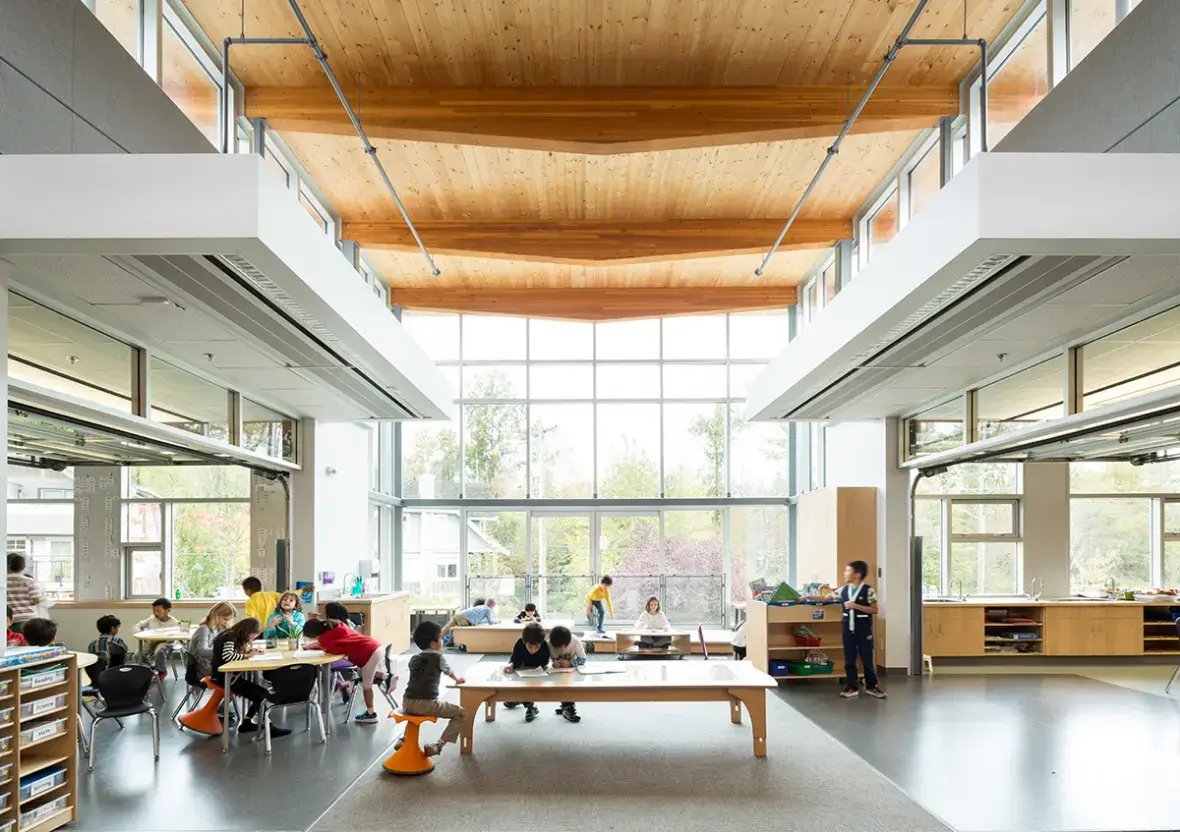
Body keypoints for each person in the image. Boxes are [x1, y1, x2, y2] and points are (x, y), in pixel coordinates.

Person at [802, 560, 886, 699]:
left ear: (857, 575)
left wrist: (855, 606)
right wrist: (808, 597)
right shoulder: (843, 590)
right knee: (849, 659)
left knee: (867, 659)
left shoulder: (868, 591)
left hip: (864, 630)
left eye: (848, 571)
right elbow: (826, 597)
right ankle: (851, 686)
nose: (845, 573)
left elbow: (874, 609)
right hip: (848, 629)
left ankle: (872, 686)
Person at [302, 619, 394, 725]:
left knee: (367, 685)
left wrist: (319, 645)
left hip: (369, 653)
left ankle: (371, 714)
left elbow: (336, 651)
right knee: (360, 674)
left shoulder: (324, 638)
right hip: (375, 646)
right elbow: (340, 641)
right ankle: (385, 676)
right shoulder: (337, 625)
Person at [398, 620, 467, 758]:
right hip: (426, 703)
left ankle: (403, 739)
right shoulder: (438, 657)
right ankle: (438, 745)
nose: (442, 640)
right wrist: (458, 680)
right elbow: (449, 671)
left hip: (407, 701)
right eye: (441, 638)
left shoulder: (414, 658)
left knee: (413, 715)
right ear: (433, 643)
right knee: (461, 713)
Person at [211, 618, 290, 737]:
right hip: (225, 678)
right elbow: (227, 656)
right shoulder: (230, 637)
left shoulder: (232, 635)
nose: (252, 638)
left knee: (260, 692)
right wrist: (248, 655)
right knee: (261, 694)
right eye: (253, 636)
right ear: (248, 632)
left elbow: (232, 652)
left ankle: (247, 722)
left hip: (231, 677)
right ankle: (268, 727)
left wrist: (249, 651)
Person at [502, 623, 550, 722]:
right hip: (522, 672)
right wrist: (511, 665)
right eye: (530, 647)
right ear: (524, 642)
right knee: (518, 684)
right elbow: (514, 659)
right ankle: (522, 700)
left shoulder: (545, 645)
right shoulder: (520, 643)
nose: (533, 650)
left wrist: (538, 669)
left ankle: (530, 707)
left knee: (528, 688)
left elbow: (545, 663)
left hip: (538, 673)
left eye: (537, 647)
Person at [188, 602, 236, 678]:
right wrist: (223, 652)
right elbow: (202, 651)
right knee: (237, 671)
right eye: (225, 619)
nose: (226, 622)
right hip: (201, 667)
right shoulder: (204, 629)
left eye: (229, 620)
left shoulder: (218, 628)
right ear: (216, 616)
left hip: (210, 662)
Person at [547, 625, 585, 723]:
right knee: (558, 686)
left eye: (559, 649)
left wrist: (570, 663)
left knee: (569, 686)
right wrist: (554, 662)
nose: (556, 650)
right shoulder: (549, 643)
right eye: (554, 648)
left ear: (566, 645)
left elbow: (583, 659)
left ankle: (569, 708)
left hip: (573, 670)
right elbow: (546, 660)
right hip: (557, 671)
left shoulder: (576, 642)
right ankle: (565, 706)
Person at [136, 597, 180, 679]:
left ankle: (161, 671)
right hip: (152, 641)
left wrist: (156, 641)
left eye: (158, 611)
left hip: (166, 643)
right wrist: (141, 633)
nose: (155, 613)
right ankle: (151, 669)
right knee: (137, 656)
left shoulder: (174, 622)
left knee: (159, 652)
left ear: (168, 610)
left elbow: (171, 638)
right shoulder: (152, 618)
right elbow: (139, 625)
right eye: (154, 611)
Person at [6, 554, 41, 632]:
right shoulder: (29, 581)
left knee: (10, 643)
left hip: (9, 621)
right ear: (23, 567)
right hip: (29, 620)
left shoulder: (2, 582)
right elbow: (37, 601)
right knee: (28, 643)